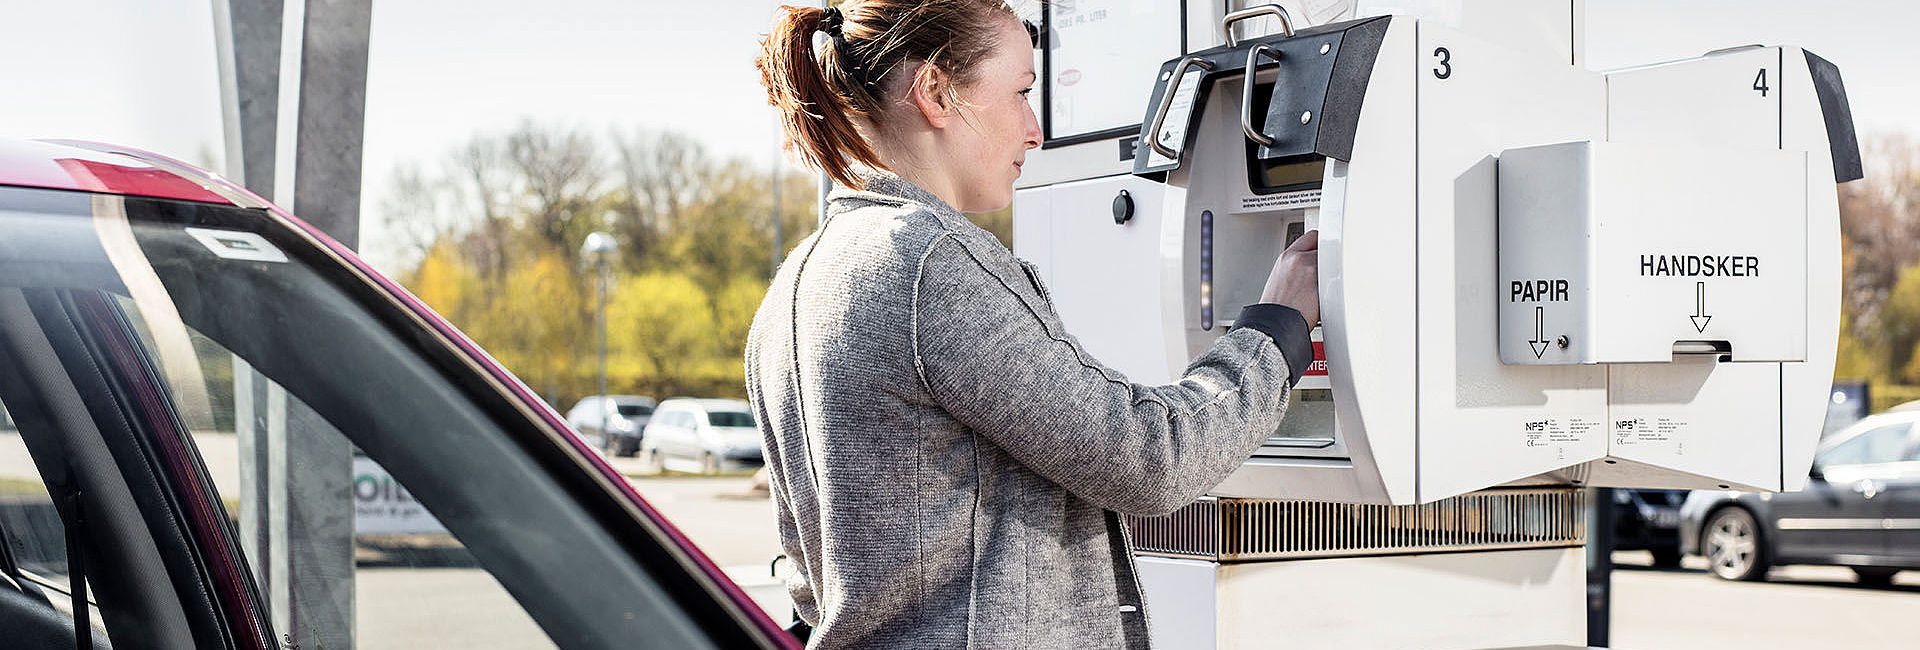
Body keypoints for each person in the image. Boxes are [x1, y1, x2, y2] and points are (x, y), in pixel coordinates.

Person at [747, 1, 1319, 647]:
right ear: (935, 91)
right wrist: (1278, 328)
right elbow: (1150, 460)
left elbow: (811, 577)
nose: (1035, 130)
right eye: (1020, 92)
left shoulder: (801, 277)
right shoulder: (928, 260)